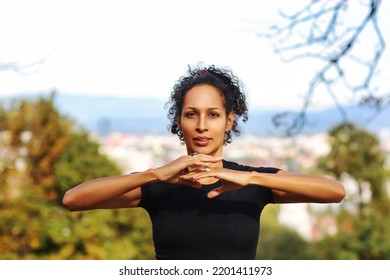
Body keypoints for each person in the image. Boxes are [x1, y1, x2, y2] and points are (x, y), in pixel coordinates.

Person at [62, 64, 345, 260]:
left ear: (228, 121)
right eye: (191, 114)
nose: (201, 126)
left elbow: (334, 192)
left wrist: (253, 178)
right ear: (179, 121)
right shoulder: (159, 184)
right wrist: (153, 175)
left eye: (212, 115)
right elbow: (73, 200)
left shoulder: (251, 182)